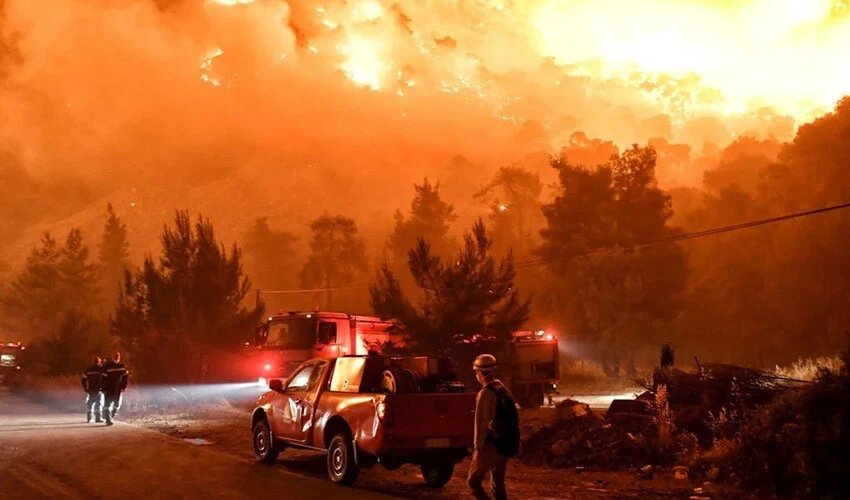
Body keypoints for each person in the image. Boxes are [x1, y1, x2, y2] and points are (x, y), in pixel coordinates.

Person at [467, 354, 519, 500]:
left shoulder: (485, 393)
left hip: (492, 445)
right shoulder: (502, 389)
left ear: (479, 372)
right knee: (498, 483)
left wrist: (478, 446)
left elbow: (481, 422)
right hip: (506, 444)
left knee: (473, 481)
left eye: (476, 372)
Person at [101, 351, 128, 426]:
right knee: (107, 404)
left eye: (118, 356)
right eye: (115, 356)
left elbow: (125, 377)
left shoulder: (122, 366)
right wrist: (103, 389)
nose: (117, 357)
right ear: (112, 357)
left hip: (118, 389)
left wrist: (124, 386)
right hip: (109, 388)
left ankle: (112, 415)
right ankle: (108, 419)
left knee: (116, 404)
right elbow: (103, 379)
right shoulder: (107, 366)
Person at [81, 356, 104, 423]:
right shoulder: (100, 369)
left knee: (91, 402)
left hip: (91, 389)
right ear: (99, 362)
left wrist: (85, 387)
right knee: (98, 403)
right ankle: (98, 418)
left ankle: (89, 417)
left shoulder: (88, 370)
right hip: (99, 388)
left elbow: (83, 379)